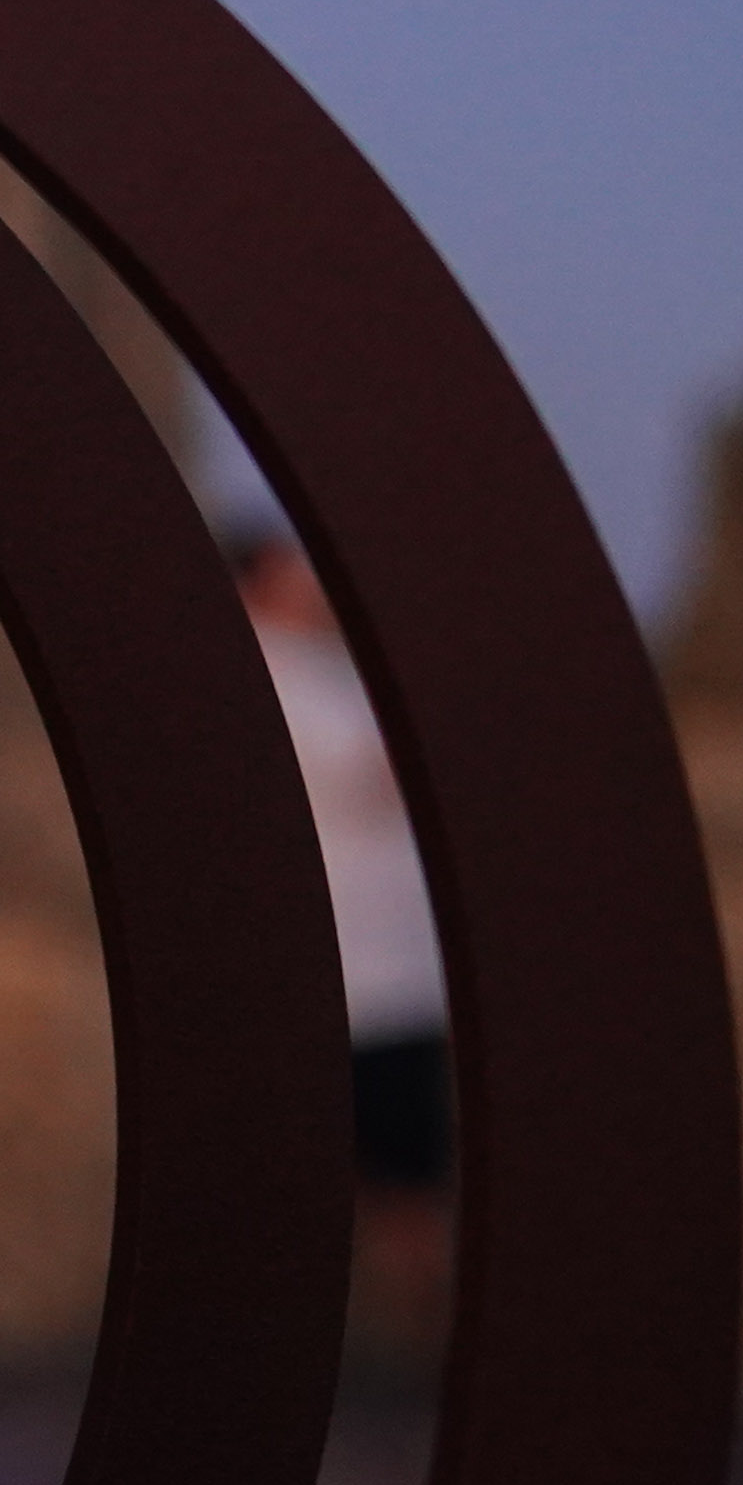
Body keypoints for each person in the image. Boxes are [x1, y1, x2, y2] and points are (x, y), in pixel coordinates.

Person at [243, 532, 449, 1347]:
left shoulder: (329, 672)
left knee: (404, 1172)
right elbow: (384, 771)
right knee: (388, 1177)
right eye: (294, 564)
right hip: (352, 975)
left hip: (392, 968)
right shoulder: (270, 677)